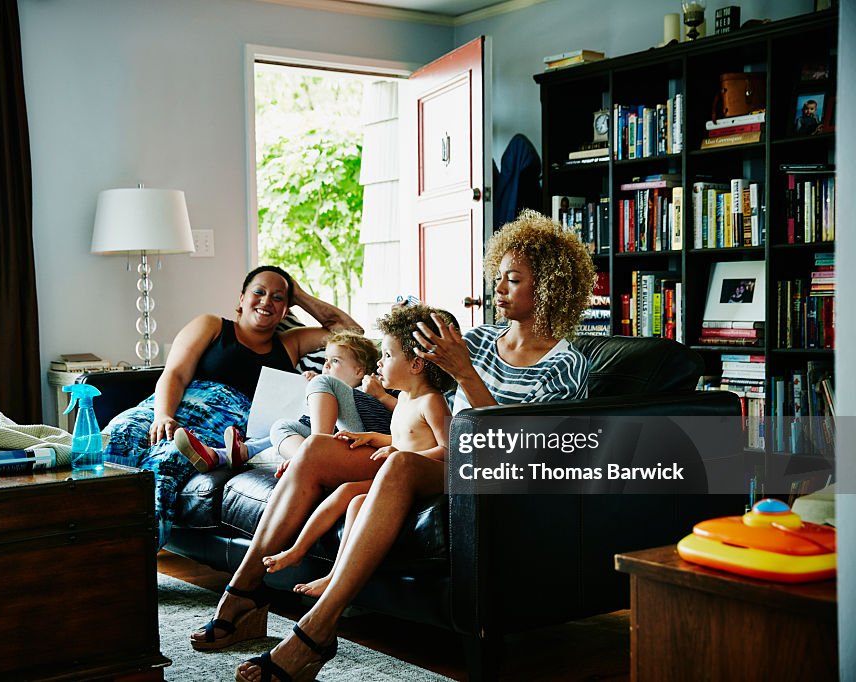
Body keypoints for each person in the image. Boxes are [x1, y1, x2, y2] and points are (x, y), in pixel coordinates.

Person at [190, 209, 594, 682]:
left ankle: (316, 632)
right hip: (446, 453)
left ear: (547, 285)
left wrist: (464, 373)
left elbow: (521, 445)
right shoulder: (480, 338)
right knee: (317, 450)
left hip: (496, 469)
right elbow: (420, 389)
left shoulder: (566, 365)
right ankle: (244, 594)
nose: (497, 289)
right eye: (497, 278)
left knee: (400, 466)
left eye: (513, 280)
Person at [101, 265, 360, 552]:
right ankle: (89, 535)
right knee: (116, 437)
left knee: (167, 462)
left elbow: (351, 333)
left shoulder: (290, 343)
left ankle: (128, 556)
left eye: (277, 298)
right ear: (241, 299)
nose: (266, 301)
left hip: (219, 423)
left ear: (286, 309)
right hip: (172, 407)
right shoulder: (212, 326)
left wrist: (297, 294)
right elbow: (174, 374)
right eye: (259, 292)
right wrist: (163, 415)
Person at [260, 305, 456, 598]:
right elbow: (401, 439)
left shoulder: (431, 402)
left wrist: (400, 457)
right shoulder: (403, 398)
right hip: (392, 475)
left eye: (388, 355)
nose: (380, 362)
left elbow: (449, 451)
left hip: (414, 483)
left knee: (351, 498)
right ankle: (301, 552)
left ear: (416, 365)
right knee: (348, 498)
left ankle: (332, 576)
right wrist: (371, 438)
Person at [174, 329, 390, 472]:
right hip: (332, 441)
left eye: (335, 361)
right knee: (280, 427)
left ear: (359, 370)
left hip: (360, 441)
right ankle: (300, 461)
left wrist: (324, 385)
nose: (326, 366)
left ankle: (315, 452)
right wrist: (316, 391)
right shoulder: (330, 391)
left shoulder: (370, 387)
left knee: (317, 391)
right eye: (325, 360)